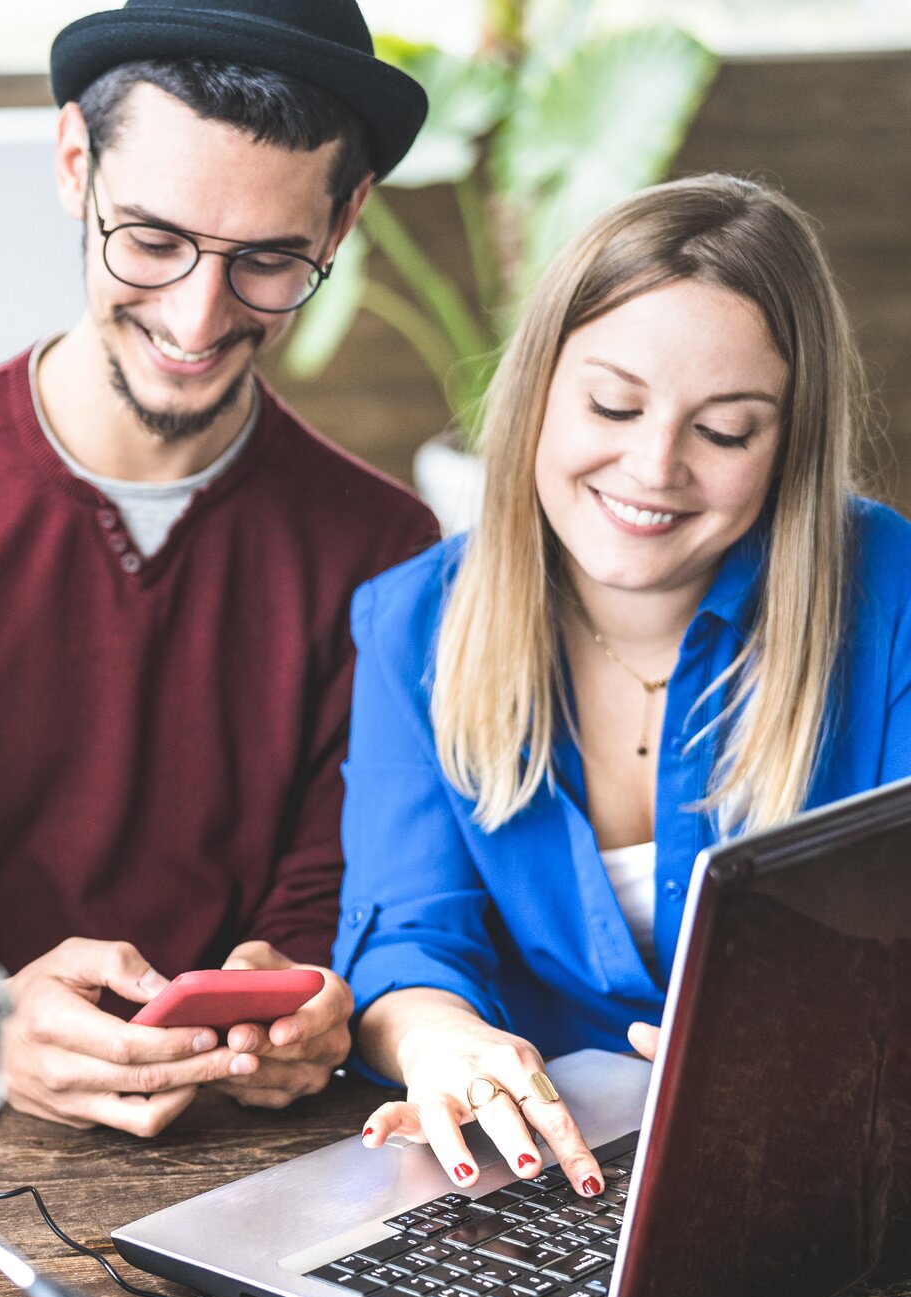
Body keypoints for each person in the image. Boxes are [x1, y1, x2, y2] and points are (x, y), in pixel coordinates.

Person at [0, 0, 436, 1139]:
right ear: (76, 163)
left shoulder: (389, 553)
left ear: (343, 220)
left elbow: (350, 906)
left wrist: (313, 1008)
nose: (196, 315)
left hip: (256, 1162)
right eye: (154, 241)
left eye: (267, 261)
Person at [340, 174, 911, 1194]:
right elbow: (406, 935)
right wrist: (441, 1042)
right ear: (540, 393)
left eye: (726, 430)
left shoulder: (891, 593)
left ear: (789, 445)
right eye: (613, 403)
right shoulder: (412, 621)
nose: (654, 467)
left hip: (835, 1166)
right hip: (544, 1174)